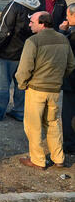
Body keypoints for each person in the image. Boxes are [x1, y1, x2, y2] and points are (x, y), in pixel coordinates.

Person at [16, 12, 74, 170]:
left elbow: (24, 69)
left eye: (32, 21)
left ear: (42, 23)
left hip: (36, 89)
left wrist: (22, 84)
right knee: (52, 123)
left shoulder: (33, 41)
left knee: (33, 126)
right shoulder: (63, 39)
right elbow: (70, 65)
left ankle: (38, 160)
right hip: (54, 89)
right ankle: (58, 157)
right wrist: (58, 79)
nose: (30, 24)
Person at [58, 3, 75, 155]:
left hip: (72, 81)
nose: (66, 18)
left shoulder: (71, 35)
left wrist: (62, 32)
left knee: (68, 113)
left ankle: (70, 144)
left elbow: (61, 49)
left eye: (68, 16)